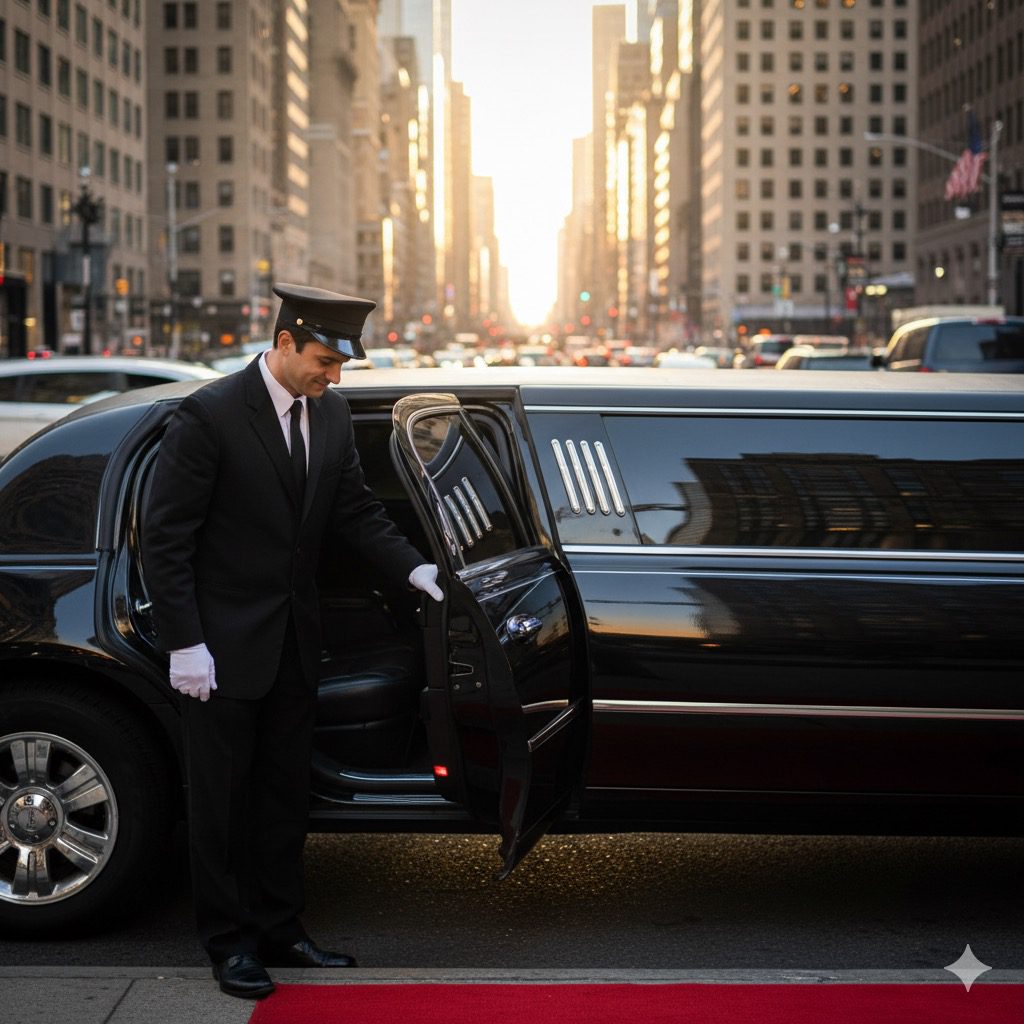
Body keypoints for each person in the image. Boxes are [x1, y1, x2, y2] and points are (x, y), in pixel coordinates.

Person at [141, 283, 443, 1000]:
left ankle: (281, 928)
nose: (332, 376)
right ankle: (229, 945)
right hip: (216, 651)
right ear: (282, 343)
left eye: (340, 365)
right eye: (322, 360)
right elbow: (166, 539)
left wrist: (413, 566)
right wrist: (186, 643)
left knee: (284, 796)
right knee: (221, 803)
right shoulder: (209, 414)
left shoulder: (330, 416)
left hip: (293, 643)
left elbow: (356, 511)